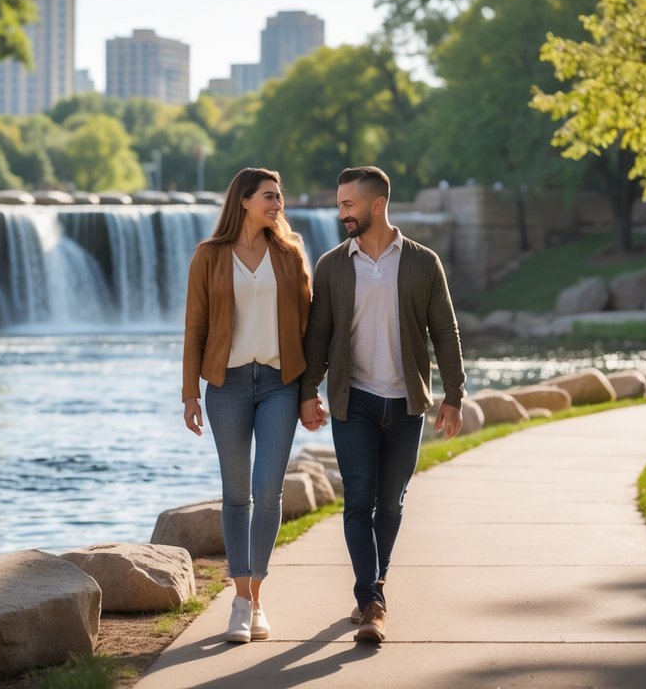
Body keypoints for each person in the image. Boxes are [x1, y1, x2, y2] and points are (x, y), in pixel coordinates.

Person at [298, 165, 466, 644]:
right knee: (358, 501)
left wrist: (453, 395)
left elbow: (445, 331)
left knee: (390, 504)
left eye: (348, 205)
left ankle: (376, 583)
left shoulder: (421, 262)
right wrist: (309, 391)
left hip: (406, 401)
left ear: (377, 205)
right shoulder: (332, 264)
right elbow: (318, 334)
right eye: (338, 205)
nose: (341, 213)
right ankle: (372, 601)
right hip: (355, 402)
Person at [182, 167, 313, 644]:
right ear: (243, 201)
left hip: (280, 384)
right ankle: (239, 601)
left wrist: (309, 391)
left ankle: (257, 596)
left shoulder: (290, 253)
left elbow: (308, 327)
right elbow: (195, 327)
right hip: (228, 386)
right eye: (269, 196)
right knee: (236, 495)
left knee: (269, 490)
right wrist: (189, 394)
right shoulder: (209, 256)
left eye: (279, 196)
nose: (278, 203)